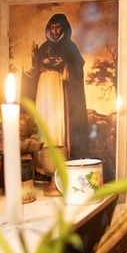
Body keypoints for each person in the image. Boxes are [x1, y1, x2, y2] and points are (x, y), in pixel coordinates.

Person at [22, 13, 89, 159]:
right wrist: (35, 57)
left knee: (58, 120)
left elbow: (78, 66)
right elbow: (35, 69)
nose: (55, 31)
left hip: (59, 87)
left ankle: (59, 156)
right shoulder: (44, 47)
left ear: (64, 28)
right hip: (44, 88)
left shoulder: (70, 47)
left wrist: (64, 65)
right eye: (52, 28)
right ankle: (42, 160)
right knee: (43, 117)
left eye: (58, 28)